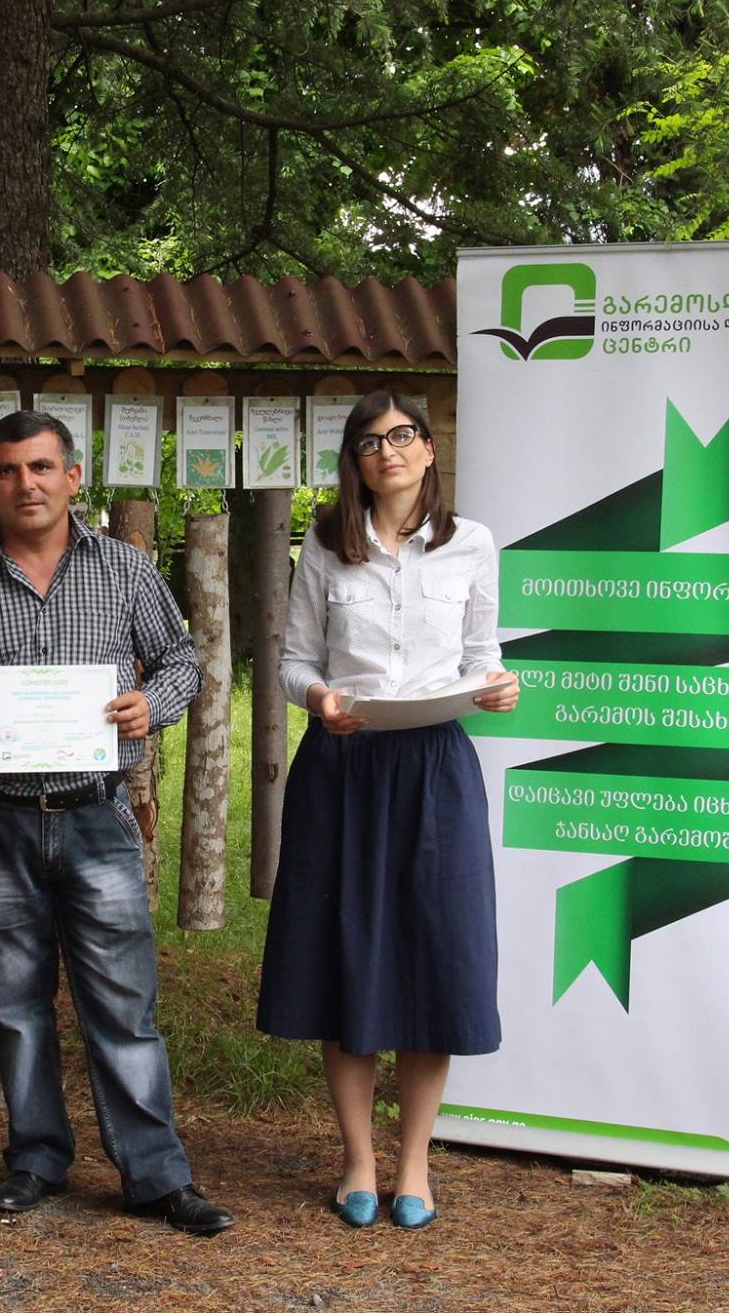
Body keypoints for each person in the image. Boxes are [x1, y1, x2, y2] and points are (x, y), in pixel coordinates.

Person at [0, 410, 235, 1237]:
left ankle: (155, 1174)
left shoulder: (124, 570)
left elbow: (182, 660)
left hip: (96, 815)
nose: (26, 484)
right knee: (15, 1006)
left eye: (42, 467)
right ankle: (37, 1159)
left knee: (123, 1005)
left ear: (73, 477)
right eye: (8, 470)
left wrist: (153, 703)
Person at [257, 389, 518, 1231]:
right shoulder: (325, 545)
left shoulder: (471, 543)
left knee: (434, 957)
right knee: (346, 956)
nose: (389, 451)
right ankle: (359, 1161)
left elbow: (482, 656)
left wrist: (497, 688)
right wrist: (321, 699)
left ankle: (415, 1166)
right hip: (344, 766)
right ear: (355, 461)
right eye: (370, 442)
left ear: (429, 449)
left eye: (403, 436)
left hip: (436, 769)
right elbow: (295, 662)